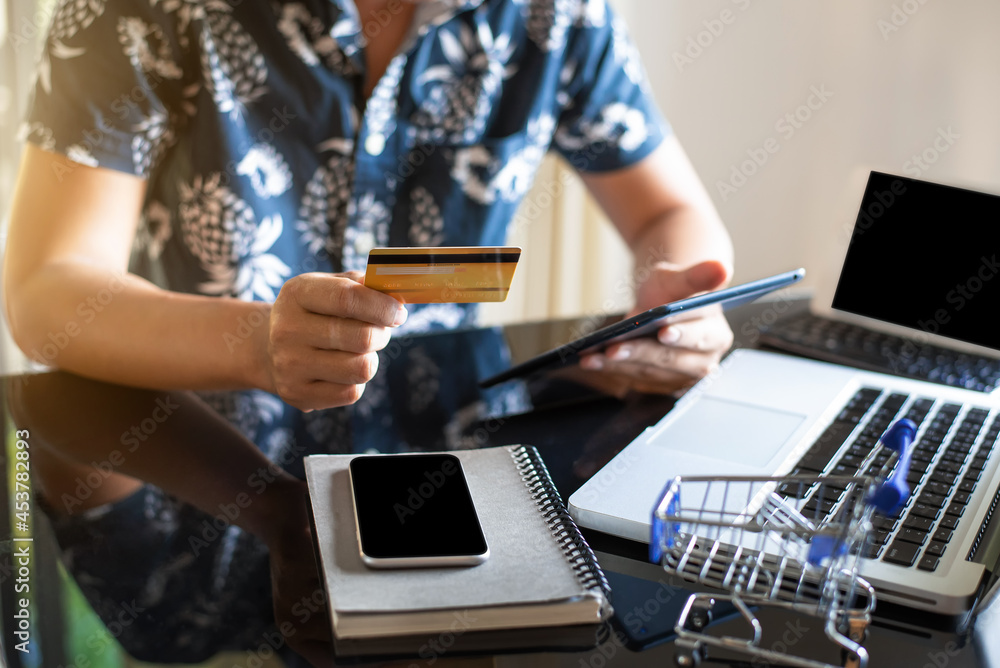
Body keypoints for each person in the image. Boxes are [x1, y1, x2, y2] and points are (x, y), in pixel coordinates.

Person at [3, 0, 734, 664]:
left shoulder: (561, 14)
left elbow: (668, 213)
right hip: (185, 480)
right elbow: (47, 290)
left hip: (453, 509)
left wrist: (678, 298)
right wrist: (255, 344)